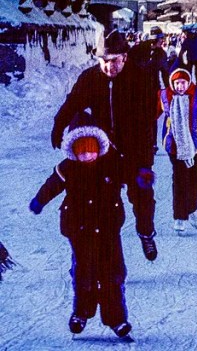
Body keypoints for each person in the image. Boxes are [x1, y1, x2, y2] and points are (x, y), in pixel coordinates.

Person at [51, 30, 159, 262]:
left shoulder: (142, 78)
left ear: (125, 58)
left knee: (143, 195)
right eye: (103, 61)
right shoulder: (90, 78)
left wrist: (142, 151)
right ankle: (107, 250)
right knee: (103, 201)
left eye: (114, 61)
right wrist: (58, 125)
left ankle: (146, 232)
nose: (109, 66)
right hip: (104, 151)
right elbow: (73, 103)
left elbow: (149, 116)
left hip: (136, 151)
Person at [30, 112, 134, 340]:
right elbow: (52, 185)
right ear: (73, 150)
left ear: (100, 146)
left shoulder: (112, 164)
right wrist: (40, 200)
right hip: (79, 228)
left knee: (112, 274)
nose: (87, 155)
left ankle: (117, 319)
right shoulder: (68, 168)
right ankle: (81, 313)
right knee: (84, 272)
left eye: (91, 149)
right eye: (81, 150)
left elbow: (130, 174)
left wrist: (141, 178)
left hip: (108, 228)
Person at [158, 68, 197, 233]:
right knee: (180, 181)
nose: (180, 86)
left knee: (195, 180)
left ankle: (192, 208)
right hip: (175, 147)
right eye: (177, 83)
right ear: (172, 83)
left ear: (189, 82)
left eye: (183, 83)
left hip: (195, 146)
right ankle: (179, 217)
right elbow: (148, 112)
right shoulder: (165, 96)